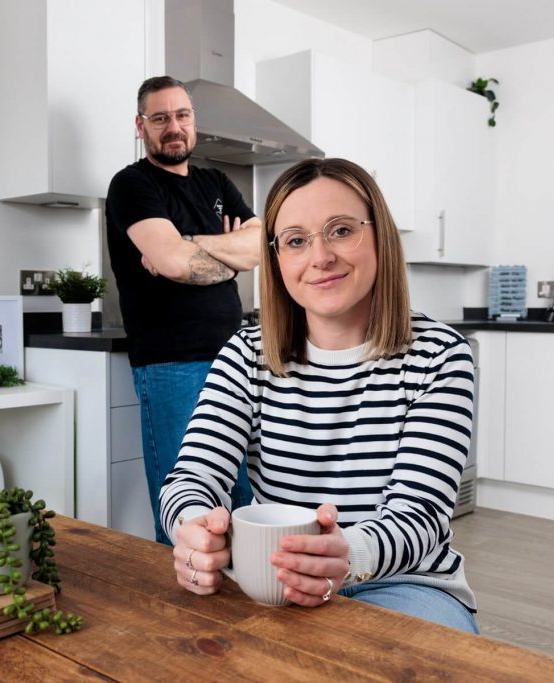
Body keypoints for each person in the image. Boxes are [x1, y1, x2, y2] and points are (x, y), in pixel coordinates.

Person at [159, 158, 479, 633]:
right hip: (275, 584)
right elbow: (192, 477)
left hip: (406, 584)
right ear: (278, 260)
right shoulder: (246, 356)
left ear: (380, 236)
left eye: (341, 230)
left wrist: (346, 556)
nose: (320, 256)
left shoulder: (439, 356)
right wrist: (192, 528)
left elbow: (421, 513)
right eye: (295, 240)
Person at [106, 75, 258, 545]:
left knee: (244, 499)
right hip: (172, 363)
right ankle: (185, 609)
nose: (174, 126)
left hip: (236, 359)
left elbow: (258, 247)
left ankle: (244, 607)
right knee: (187, 507)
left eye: (182, 115)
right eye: (160, 118)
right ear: (141, 126)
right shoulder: (132, 185)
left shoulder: (216, 181)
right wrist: (223, 254)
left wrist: (192, 245)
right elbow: (172, 262)